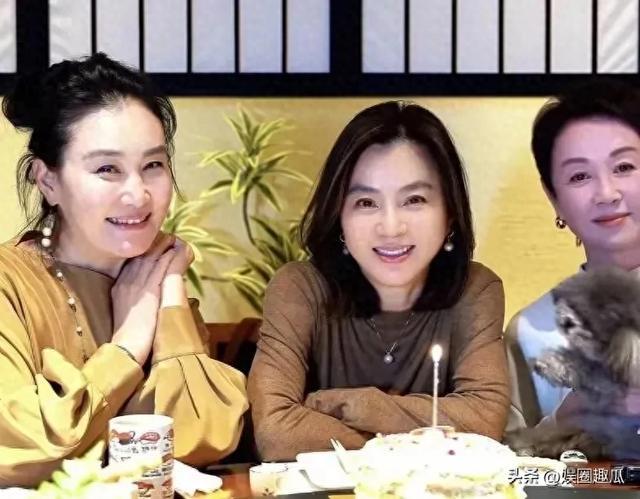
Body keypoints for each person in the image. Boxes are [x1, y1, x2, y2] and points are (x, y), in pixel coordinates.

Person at [0, 53, 248, 486]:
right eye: (107, 169)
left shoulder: (154, 275)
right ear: (48, 180)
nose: (138, 195)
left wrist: (170, 289)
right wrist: (128, 346)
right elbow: (23, 452)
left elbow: (208, 437)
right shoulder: (9, 282)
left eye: (153, 165)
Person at [248, 101, 510, 461]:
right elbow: (276, 432)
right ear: (339, 215)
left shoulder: (474, 290)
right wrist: (426, 435)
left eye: (414, 199)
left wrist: (356, 405)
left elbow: (483, 423)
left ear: (450, 213)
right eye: (366, 203)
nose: (391, 227)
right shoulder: (300, 288)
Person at [506, 79, 640, 458]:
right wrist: (568, 419)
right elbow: (506, 467)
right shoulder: (531, 331)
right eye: (580, 176)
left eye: (624, 167)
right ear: (554, 198)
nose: (606, 193)